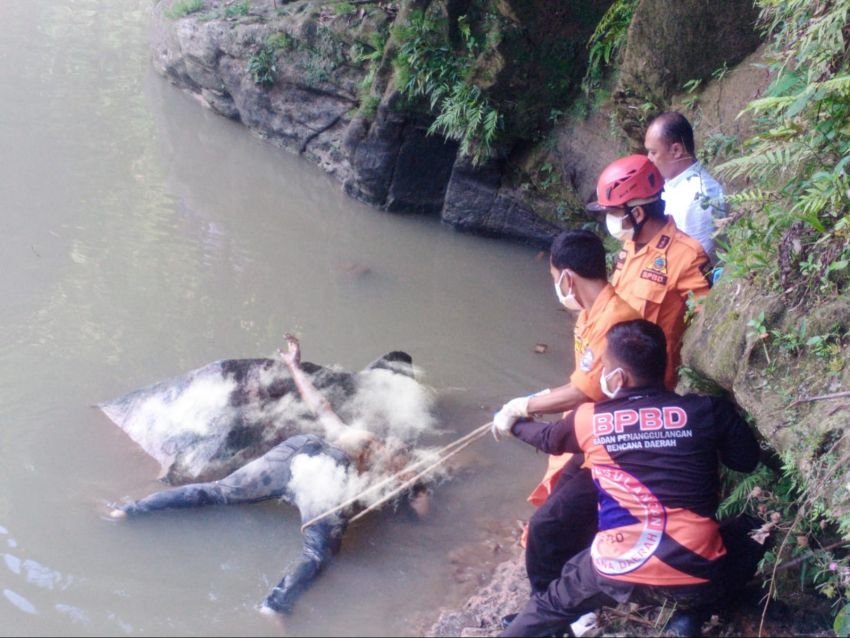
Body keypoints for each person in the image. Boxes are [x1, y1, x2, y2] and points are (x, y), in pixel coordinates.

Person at [109, 335, 418, 615]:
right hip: (327, 473)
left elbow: (319, 405)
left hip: (300, 451)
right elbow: (418, 509)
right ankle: (274, 608)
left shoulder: (357, 430)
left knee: (217, 491)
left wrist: (294, 366)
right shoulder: (396, 442)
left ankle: (128, 510)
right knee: (318, 553)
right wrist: (417, 483)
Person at [498, 319, 760, 638]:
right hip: (694, 570)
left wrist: (511, 422)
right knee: (754, 528)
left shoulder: (589, 419)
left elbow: (548, 438)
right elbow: (745, 462)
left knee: (548, 606)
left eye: (604, 365)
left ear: (618, 376)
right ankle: (692, 615)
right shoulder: (708, 410)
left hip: (614, 568)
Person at [493, 230, 641, 595]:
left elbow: (584, 389)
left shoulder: (616, 321)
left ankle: (553, 611)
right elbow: (582, 380)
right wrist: (544, 399)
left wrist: (522, 407)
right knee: (557, 505)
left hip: (618, 443)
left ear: (567, 278)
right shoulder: (591, 316)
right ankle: (571, 598)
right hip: (595, 432)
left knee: (546, 527)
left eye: (554, 279)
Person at [587, 154, 712, 390]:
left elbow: (707, 325)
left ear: (637, 214)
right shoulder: (631, 244)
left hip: (646, 387)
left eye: (612, 212)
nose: (609, 220)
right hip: (608, 370)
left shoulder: (687, 257)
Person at [644, 111, 726, 263]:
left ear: (676, 150)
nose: (649, 159)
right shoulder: (675, 183)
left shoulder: (698, 198)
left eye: (653, 152)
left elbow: (699, 262)